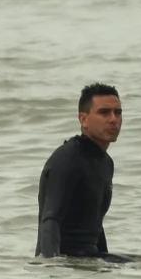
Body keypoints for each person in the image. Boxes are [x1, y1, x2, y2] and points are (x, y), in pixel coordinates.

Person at [35, 83, 126, 259]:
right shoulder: (67, 159)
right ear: (83, 119)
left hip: (89, 259)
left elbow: (95, 225)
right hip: (65, 261)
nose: (113, 119)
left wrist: (105, 270)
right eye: (104, 112)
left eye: (118, 112)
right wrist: (51, 266)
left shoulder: (106, 163)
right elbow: (50, 219)